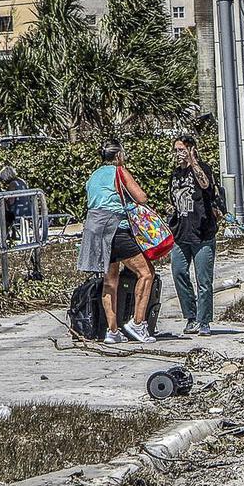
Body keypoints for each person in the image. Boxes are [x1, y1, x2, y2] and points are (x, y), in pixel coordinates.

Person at [77, 139, 156, 344]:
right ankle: (138, 323)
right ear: (119, 156)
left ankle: (112, 331)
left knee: (110, 281)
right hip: (115, 228)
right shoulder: (119, 171)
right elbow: (141, 197)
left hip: (94, 230)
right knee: (146, 273)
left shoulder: (93, 176)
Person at [169, 136, 222, 337]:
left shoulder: (203, 169)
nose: (178, 154)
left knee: (203, 279)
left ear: (191, 149)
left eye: (181, 149)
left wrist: (193, 162)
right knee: (179, 272)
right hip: (181, 233)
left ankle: (204, 320)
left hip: (202, 234)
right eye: (176, 150)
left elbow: (206, 186)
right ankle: (190, 316)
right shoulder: (175, 174)